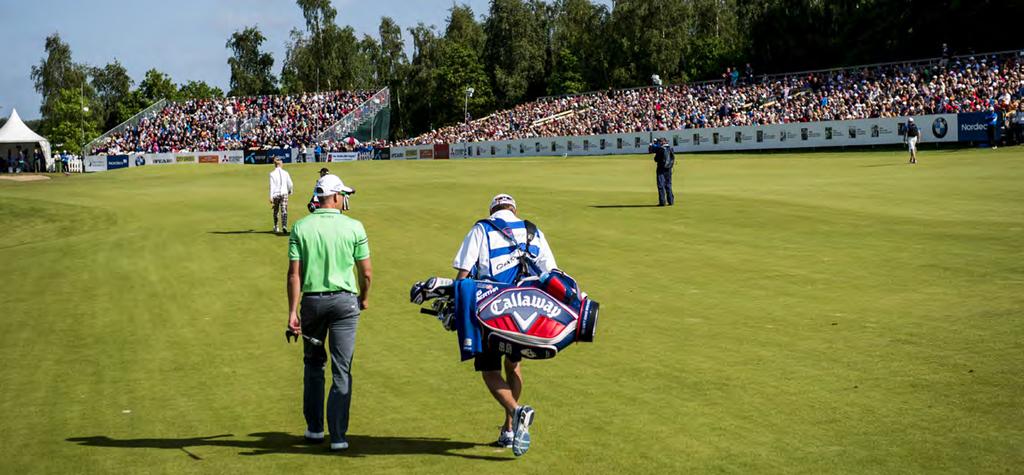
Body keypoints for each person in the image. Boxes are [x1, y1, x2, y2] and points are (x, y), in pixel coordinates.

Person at [451, 193, 557, 456]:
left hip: (490, 310)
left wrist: (456, 307)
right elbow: (551, 273)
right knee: (514, 365)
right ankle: (509, 430)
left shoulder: (482, 228)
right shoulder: (532, 230)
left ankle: (516, 412)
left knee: (488, 369)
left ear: (492, 210)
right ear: (514, 209)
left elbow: (463, 273)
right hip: (525, 310)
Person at [286, 173, 371, 451]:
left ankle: (313, 429)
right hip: (345, 303)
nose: (345, 199)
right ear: (334, 197)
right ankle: (338, 436)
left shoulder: (300, 227)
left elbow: (294, 275)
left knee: (313, 365)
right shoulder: (355, 227)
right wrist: (364, 298)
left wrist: (292, 312)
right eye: (343, 195)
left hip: (311, 304)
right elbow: (366, 273)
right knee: (341, 370)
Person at [269, 158, 294, 234]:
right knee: (284, 210)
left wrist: (270, 196)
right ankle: (284, 226)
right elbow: (290, 184)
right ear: (280, 164)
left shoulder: (272, 173)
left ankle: (276, 226)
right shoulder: (285, 173)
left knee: (276, 211)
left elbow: (272, 186)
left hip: (276, 194)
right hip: (284, 193)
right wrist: (290, 190)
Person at [650, 138, 675, 206]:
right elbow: (673, 158)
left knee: (661, 185)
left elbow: (656, 159)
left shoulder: (660, 149)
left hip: (661, 169)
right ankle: (671, 201)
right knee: (668, 184)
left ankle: (662, 202)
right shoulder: (670, 148)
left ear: (662, 142)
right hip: (669, 169)